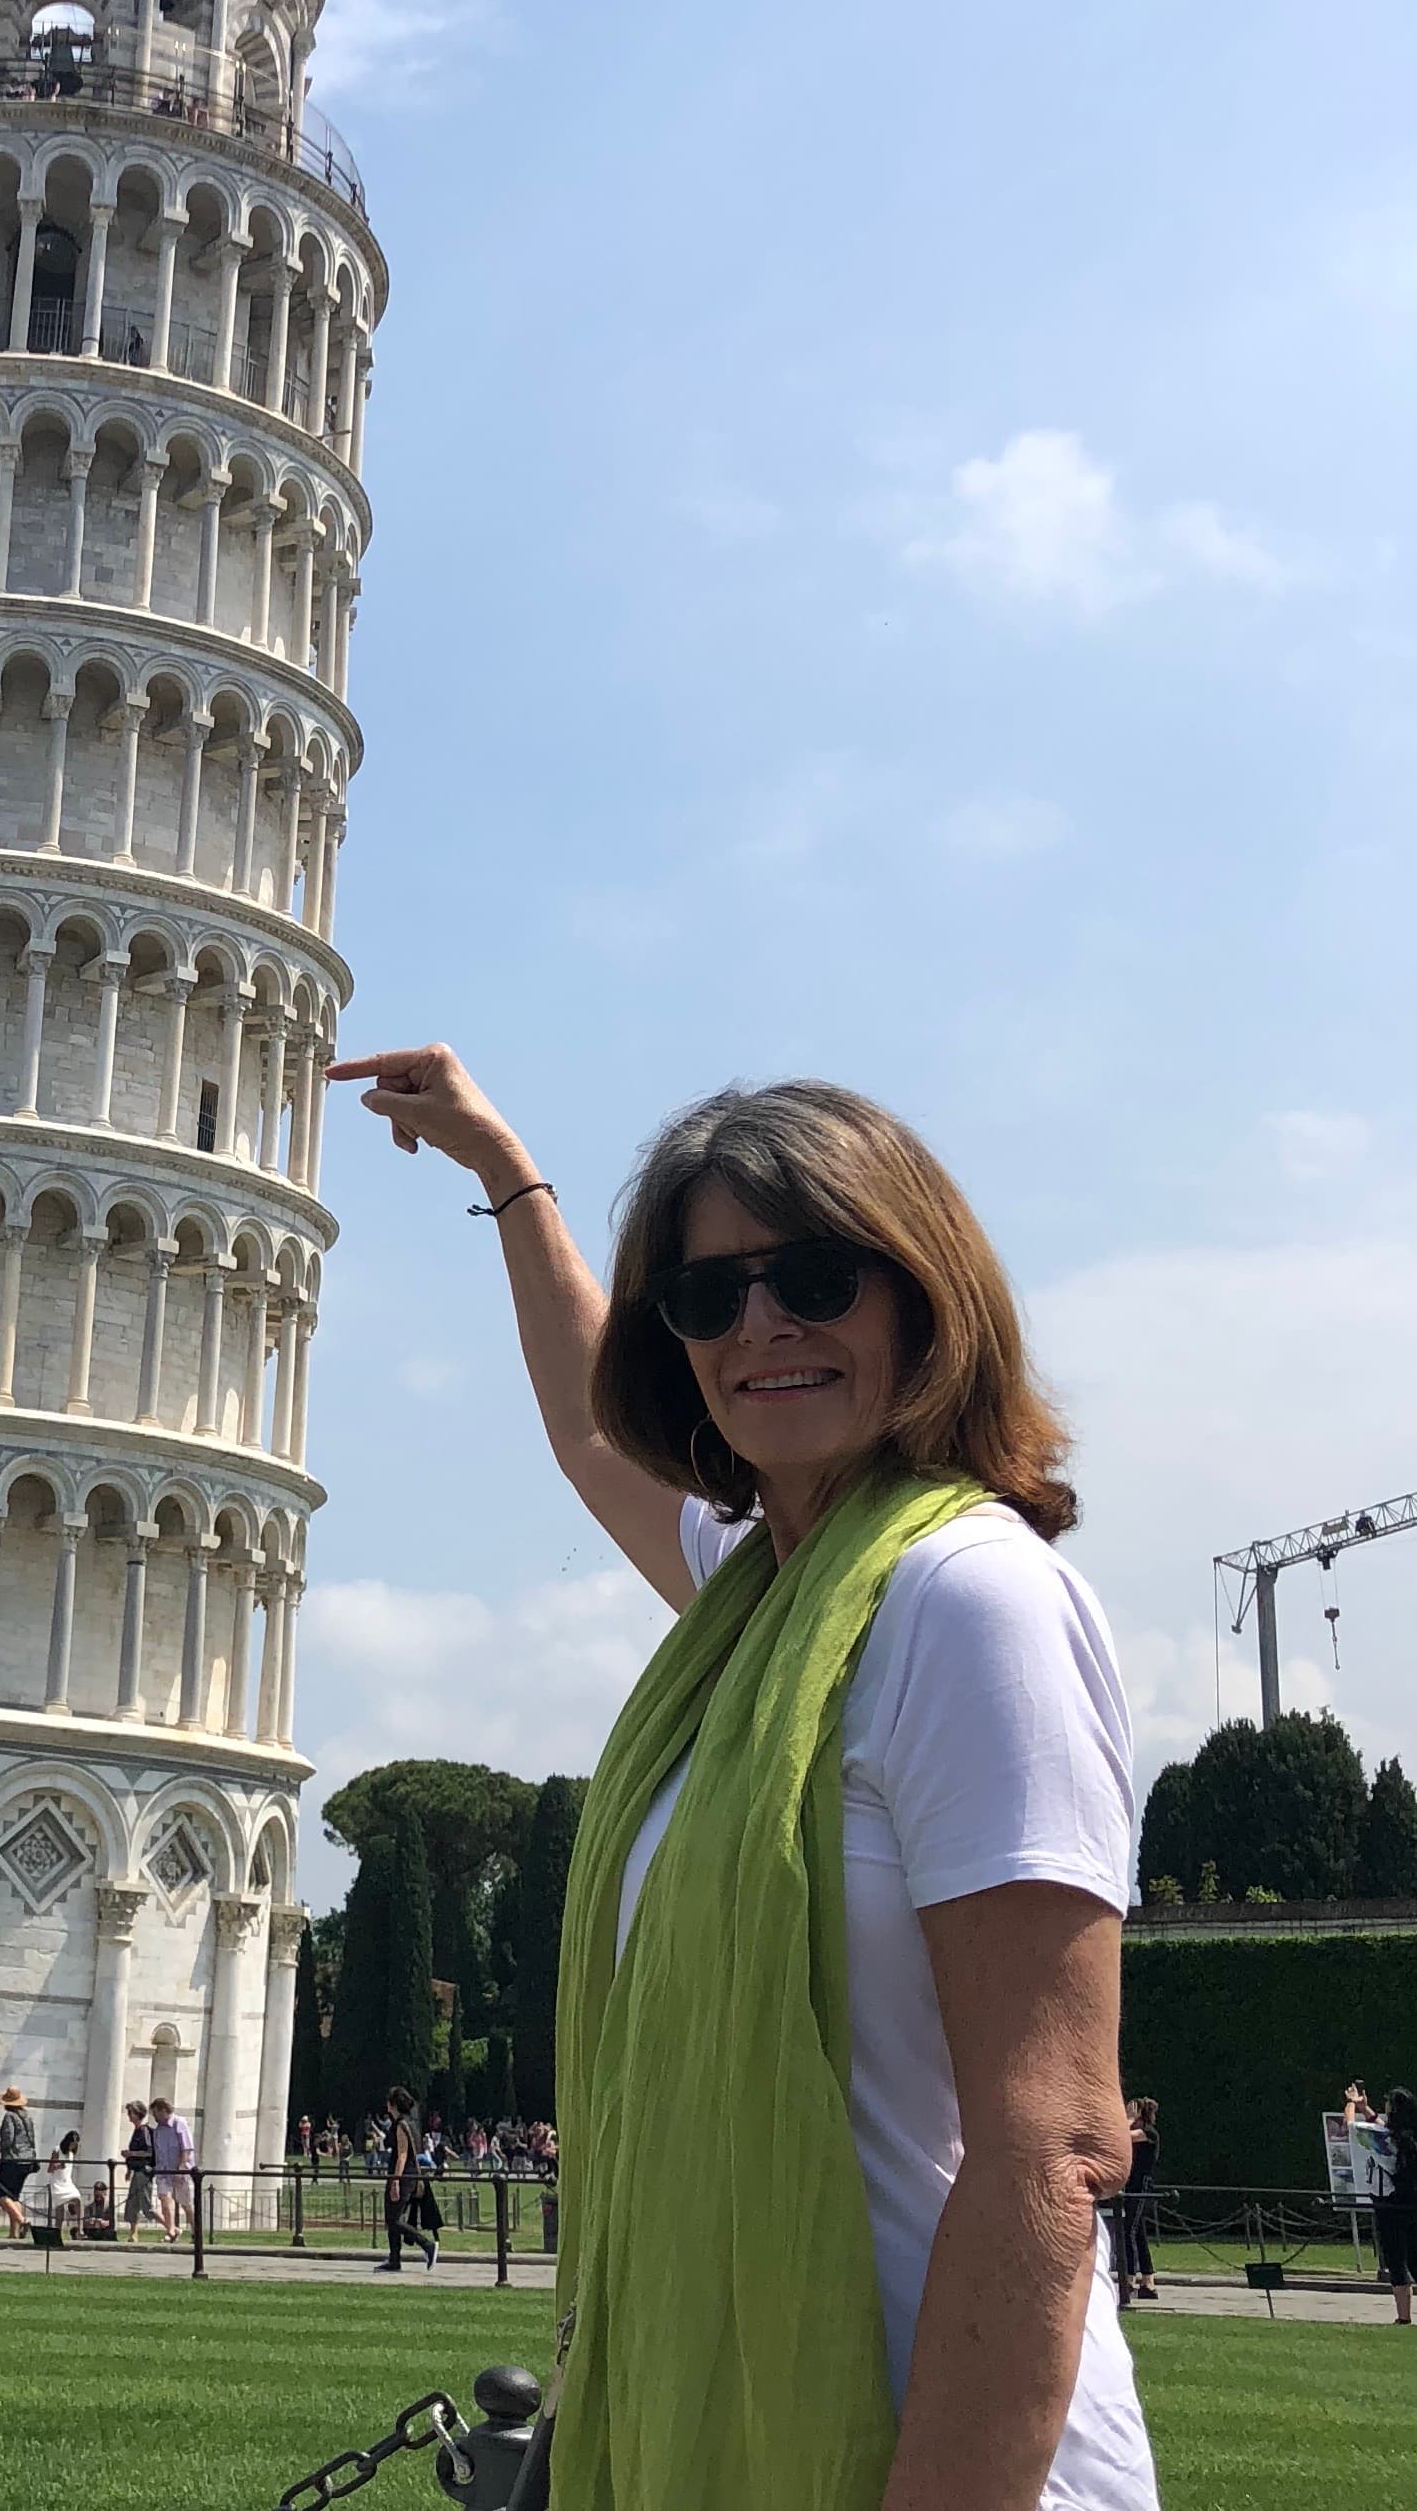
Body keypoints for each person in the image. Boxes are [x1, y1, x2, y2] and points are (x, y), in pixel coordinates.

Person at [327, 1052, 1159, 2511]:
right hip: (739, 2435)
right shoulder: (761, 1598)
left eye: (816, 1278)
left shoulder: (967, 1600)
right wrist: (510, 1179)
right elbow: (593, 1433)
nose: (760, 1323)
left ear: (922, 1292)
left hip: (954, 2459)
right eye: (708, 1298)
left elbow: (1057, 2134)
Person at [377, 2087, 435, 2272]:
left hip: (403, 2175)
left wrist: (395, 2180)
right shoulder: (411, 2122)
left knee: (393, 2219)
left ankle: (427, 2245)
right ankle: (394, 2259)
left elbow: (402, 2155)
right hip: (409, 2174)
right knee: (393, 2217)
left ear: (393, 2104)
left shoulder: (401, 2125)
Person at [1377, 2087, 1417, 2329]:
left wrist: (1352, 2105)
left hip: (1392, 2202)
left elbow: (1354, 2127)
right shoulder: (1410, 2136)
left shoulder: (1385, 2138)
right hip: (1413, 2202)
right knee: (1414, 2259)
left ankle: (1403, 2316)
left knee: (1396, 2260)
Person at [1116, 2100, 1159, 2308]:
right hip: (1134, 2185)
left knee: (1128, 2230)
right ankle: (1148, 2281)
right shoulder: (1144, 2133)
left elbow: (1120, 2135)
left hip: (1141, 2186)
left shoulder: (1149, 2133)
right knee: (1139, 2234)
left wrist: (1128, 2120)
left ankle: (1130, 2278)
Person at [0, 2085, 38, 2238]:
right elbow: (29, 2139)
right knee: (14, 2196)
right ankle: (14, 2233)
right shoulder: (28, 2117)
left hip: (12, 2160)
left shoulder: (9, 2117)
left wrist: (1, 2146)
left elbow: (8, 2139)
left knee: (0, 2192)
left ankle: (22, 2221)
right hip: (27, 2160)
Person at [148, 2096, 192, 2242]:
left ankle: (195, 2232)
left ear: (163, 2110)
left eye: (155, 2113)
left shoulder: (179, 2123)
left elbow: (186, 2148)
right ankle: (171, 2231)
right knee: (164, 2198)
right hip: (163, 2170)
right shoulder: (158, 2130)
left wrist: (181, 2168)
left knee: (186, 2204)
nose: (154, 2117)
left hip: (180, 2170)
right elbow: (157, 2151)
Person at [121, 2101, 157, 2239]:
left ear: (137, 2114)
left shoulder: (144, 2130)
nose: (128, 2116)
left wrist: (130, 2154)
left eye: (130, 2112)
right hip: (136, 2170)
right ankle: (133, 2233)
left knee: (146, 2205)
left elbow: (148, 2152)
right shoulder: (137, 2130)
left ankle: (171, 2227)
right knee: (132, 2203)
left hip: (143, 2171)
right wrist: (129, 2170)